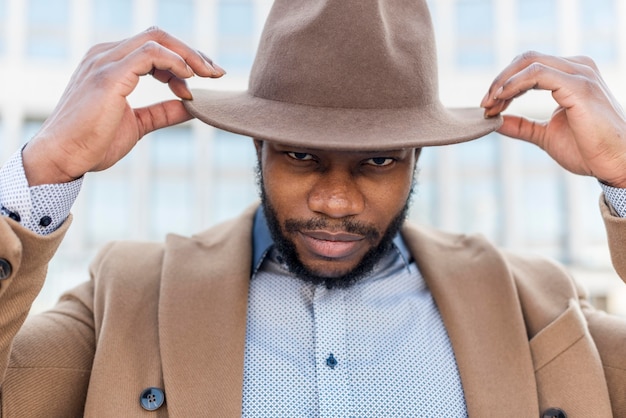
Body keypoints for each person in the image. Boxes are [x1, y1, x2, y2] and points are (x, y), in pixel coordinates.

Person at [1, 0, 626, 416]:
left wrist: (623, 177)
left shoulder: (537, 307)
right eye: (300, 155)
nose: (334, 200)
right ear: (258, 144)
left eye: (377, 161)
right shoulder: (126, 294)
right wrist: (46, 170)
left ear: (417, 154)